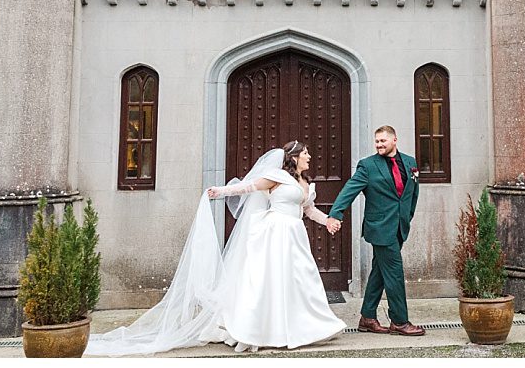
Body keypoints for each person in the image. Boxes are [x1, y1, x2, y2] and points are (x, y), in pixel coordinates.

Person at [86, 140, 346, 356]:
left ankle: (305, 325)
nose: (309, 156)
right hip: (274, 232)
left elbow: (308, 210)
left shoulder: (305, 183)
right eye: (305, 153)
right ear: (294, 157)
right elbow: (248, 186)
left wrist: (328, 222)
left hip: (295, 235)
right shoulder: (276, 177)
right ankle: (261, 328)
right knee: (268, 281)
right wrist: (220, 191)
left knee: (299, 280)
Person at [326, 125, 425, 336]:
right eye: (377, 141)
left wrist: (407, 217)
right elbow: (349, 190)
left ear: (394, 140)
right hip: (380, 228)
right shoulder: (368, 166)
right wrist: (336, 213)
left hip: (399, 226)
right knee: (395, 273)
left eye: (383, 141)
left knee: (379, 272)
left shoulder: (410, 163)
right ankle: (399, 321)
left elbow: (412, 193)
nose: (379, 145)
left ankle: (367, 318)